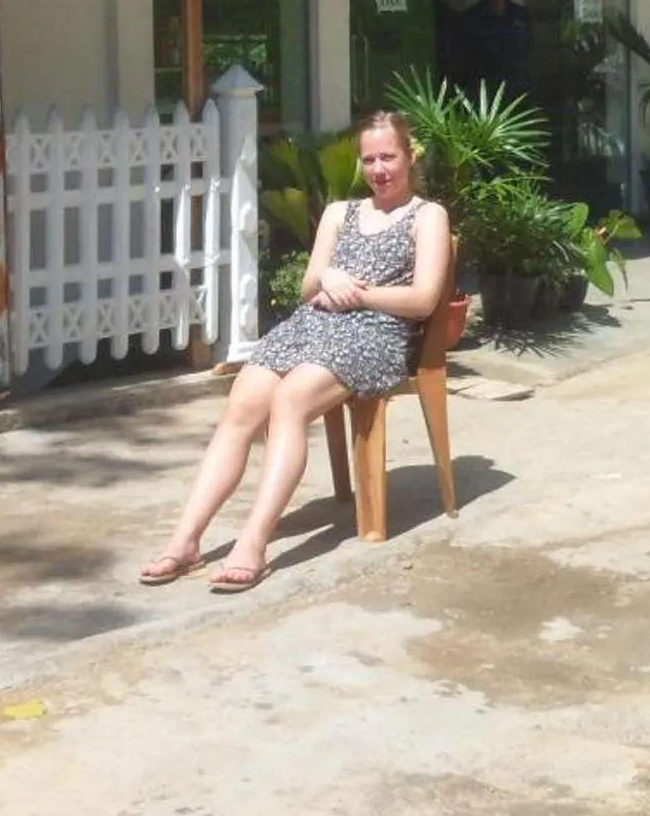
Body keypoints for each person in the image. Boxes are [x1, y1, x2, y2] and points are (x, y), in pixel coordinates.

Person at [138, 111, 452, 594]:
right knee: (242, 405)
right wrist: (327, 279)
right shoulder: (339, 213)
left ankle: (253, 544)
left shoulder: (427, 216)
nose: (378, 169)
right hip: (314, 323)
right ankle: (186, 540)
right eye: (369, 159)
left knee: (290, 401)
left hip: (377, 333)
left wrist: (357, 293)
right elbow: (309, 288)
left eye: (388, 156)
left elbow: (423, 300)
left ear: (410, 157)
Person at [449, 0, 533, 103]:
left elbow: (529, 51)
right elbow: (461, 61)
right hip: (485, 92)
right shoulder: (470, 20)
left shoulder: (520, 15)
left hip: (518, 89)